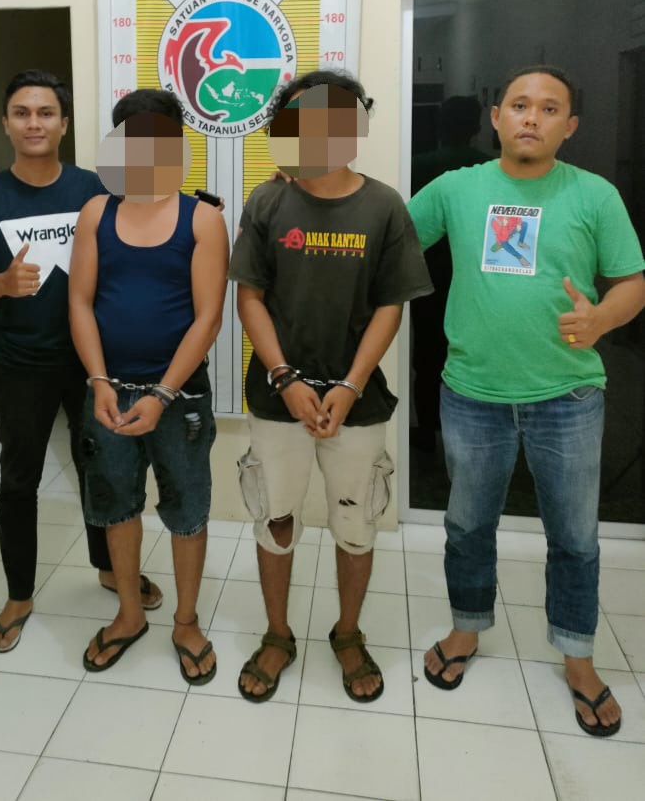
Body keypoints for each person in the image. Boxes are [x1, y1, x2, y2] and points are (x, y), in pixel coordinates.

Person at [408, 65, 645, 737]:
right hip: (471, 392)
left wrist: (601, 319)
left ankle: (577, 655)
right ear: (496, 117)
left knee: (573, 537)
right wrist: (308, 190)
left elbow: (632, 281)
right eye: (518, 105)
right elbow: (386, 235)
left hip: (567, 394)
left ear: (569, 126)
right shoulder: (456, 189)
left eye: (548, 108)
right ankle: (465, 629)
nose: (531, 117)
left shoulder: (595, 195)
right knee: (466, 525)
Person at [229, 70, 433, 703]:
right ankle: (277, 633)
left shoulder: (384, 205)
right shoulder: (267, 201)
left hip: (357, 402)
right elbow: (250, 296)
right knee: (276, 517)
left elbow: (391, 305)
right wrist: (285, 377)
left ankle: (348, 633)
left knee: (355, 521)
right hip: (278, 398)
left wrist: (350, 383)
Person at [0, 71, 164, 653]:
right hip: (21, 362)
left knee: (102, 468)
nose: (34, 123)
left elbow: (148, 229)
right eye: (22, 113)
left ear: (64, 124)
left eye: (46, 113)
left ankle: (109, 568)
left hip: (96, 359)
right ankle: (19, 595)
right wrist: (1, 283)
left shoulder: (95, 189)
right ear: (6, 123)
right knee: (19, 478)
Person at [69, 89, 229, 683]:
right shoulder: (97, 213)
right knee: (116, 503)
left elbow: (207, 318)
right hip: (108, 390)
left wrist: (162, 394)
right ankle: (130, 614)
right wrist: (99, 381)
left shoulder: (202, 218)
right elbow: (80, 302)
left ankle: (186, 622)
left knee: (186, 507)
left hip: (179, 398)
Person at [410, 96, 489, 451]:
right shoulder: (489, 168)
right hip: (479, 278)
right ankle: (472, 436)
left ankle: (428, 432)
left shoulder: (416, 165)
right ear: (478, 127)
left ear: (440, 126)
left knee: (427, 356)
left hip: (427, 273)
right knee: (474, 355)